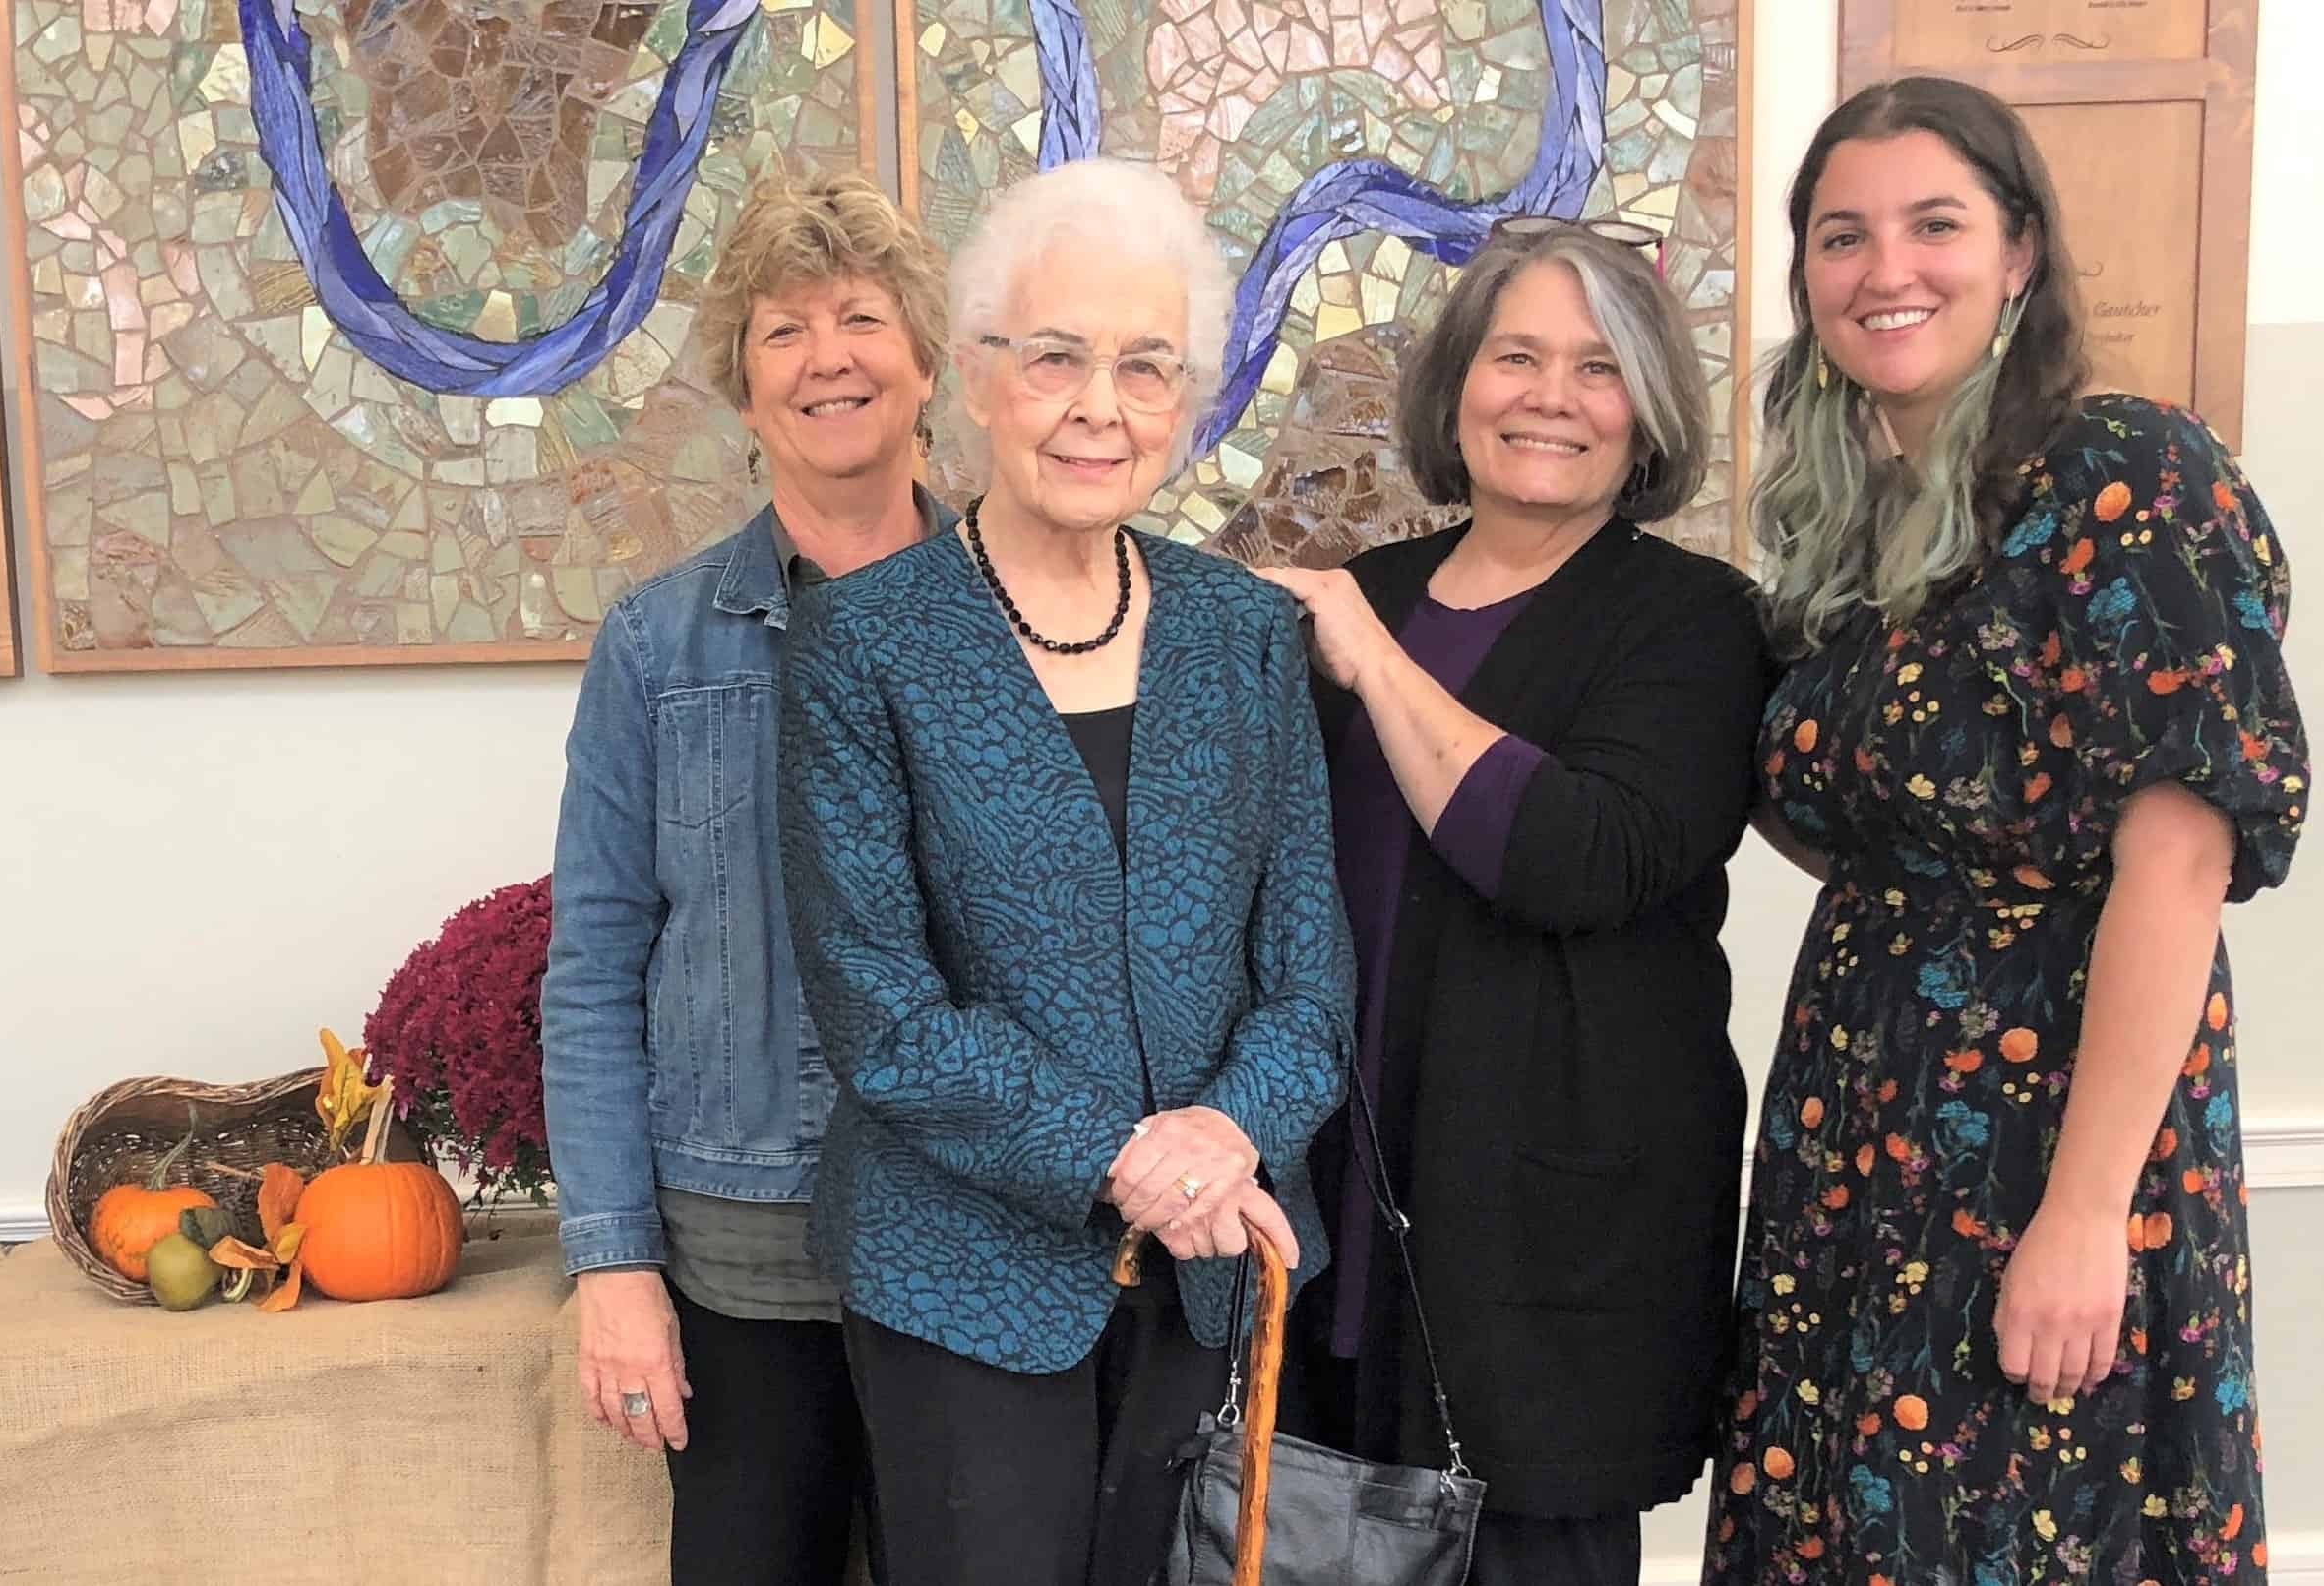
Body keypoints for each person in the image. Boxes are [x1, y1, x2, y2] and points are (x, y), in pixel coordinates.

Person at [1707, 76, 2306, 1583]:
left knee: (2026, 1524)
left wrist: (2087, 1215)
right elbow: (1857, 817)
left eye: (1935, 225)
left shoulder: (2129, 474)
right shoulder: (1852, 530)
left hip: (2051, 1122)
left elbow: (2180, 859)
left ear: (2021, 252)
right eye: (1841, 238)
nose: (1884, 270)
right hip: (1858, 1115)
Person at [775, 156, 1353, 1586]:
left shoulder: (1244, 634)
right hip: (959, 1275)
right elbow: (880, 1012)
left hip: (1214, 1267)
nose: (1102, 405)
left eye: (1147, 367)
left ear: (1190, 400)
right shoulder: (864, 644)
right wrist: (1123, 1162)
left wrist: (1221, 1135)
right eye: (1056, 357)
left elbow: (1310, 977)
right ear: (973, 378)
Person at [1257, 217, 1769, 1585]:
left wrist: (1367, 658)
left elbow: (1572, 857)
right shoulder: (1362, 596)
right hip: (1331, 1213)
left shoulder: (1696, 622)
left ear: (1647, 413)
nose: (1550, 395)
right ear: (1457, 387)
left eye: (1599, 369)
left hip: (1553, 1249)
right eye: (1517, 355)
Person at [538, 167, 953, 1586]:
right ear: (743, 381)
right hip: (740, 1264)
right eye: (785, 330)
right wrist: (613, 1266)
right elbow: (592, 972)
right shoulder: (657, 649)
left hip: (980, 1248)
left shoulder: (1037, 619)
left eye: (861, 318)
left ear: (923, 358)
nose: (828, 357)